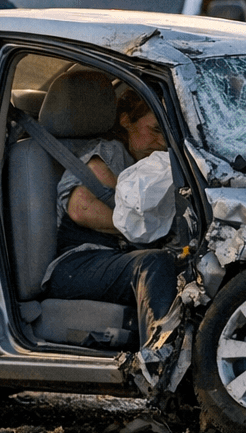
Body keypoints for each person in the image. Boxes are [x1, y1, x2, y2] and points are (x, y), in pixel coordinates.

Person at [42, 87, 179, 344]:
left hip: (116, 260)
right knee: (153, 265)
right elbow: (81, 208)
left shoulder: (155, 168)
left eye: (167, 134)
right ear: (126, 121)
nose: (162, 142)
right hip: (79, 262)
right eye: (155, 130)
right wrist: (153, 228)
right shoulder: (110, 152)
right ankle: (160, 358)